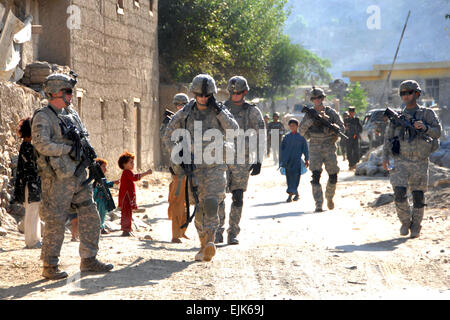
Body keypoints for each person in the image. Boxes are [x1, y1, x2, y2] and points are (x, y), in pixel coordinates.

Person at [31, 72, 113, 280]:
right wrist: (66, 149)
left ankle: (89, 259)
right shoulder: (43, 116)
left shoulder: (72, 114)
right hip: (57, 179)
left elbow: (84, 138)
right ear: (55, 92)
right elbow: (41, 144)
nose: (70, 95)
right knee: (56, 220)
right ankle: (50, 265)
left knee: (90, 214)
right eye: (67, 91)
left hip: (78, 176)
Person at [163, 74, 239, 262]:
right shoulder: (186, 112)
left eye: (207, 95)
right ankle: (203, 243)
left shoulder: (218, 110)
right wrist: (177, 153)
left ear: (212, 94)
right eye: (199, 95)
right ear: (194, 93)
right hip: (193, 168)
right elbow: (168, 135)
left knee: (211, 204)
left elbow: (234, 130)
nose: (203, 98)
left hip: (215, 166)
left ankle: (211, 240)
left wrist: (219, 112)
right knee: (198, 208)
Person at [382, 80, 441, 238]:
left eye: (408, 92)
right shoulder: (397, 116)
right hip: (400, 160)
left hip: (420, 161)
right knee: (399, 193)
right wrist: (385, 157)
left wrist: (425, 127)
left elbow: (438, 133)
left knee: (418, 195)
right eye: (402, 93)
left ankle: (416, 226)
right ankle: (405, 222)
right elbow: (388, 138)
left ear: (417, 94)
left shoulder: (427, 113)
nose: (405, 96)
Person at [216, 76, 265, 245]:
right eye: (232, 93)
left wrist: (259, 159)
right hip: (222, 157)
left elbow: (261, 135)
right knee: (219, 195)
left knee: (237, 196)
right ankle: (217, 230)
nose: (234, 95)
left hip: (242, 160)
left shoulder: (252, 111)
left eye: (238, 93)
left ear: (244, 92)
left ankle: (233, 232)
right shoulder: (221, 109)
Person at [299, 86, 344, 212]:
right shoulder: (309, 114)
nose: (316, 100)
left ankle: (329, 197)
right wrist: (311, 121)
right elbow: (301, 131)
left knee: (333, 175)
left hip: (329, 146)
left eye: (319, 97)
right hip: (314, 148)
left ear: (323, 98)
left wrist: (330, 124)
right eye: (314, 98)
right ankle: (318, 203)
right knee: (315, 176)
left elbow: (342, 129)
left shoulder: (331, 113)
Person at [14, 118, 42, 249]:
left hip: (29, 184)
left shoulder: (26, 146)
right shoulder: (29, 147)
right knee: (32, 212)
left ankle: (35, 239)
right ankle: (31, 241)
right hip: (31, 185)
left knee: (33, 211)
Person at [165, 93, 190, 243]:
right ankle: (175, 234)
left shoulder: (190, 121)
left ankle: (183, 230)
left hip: (192, 167)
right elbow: (166, 140)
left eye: (183, 104)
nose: (180, 107)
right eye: (178, 104)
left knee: (188, 200)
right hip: (179, 168)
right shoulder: (171, 122)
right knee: (177, 200)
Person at [117, 151, 152, 237]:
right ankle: (125, 230)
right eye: (131, 162)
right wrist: (146, 173)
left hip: (128, 197)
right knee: (126, 212)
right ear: (124, 164)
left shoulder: (127, 172)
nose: (133, 164)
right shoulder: (126, 172)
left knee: (128, 212)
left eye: (133, 162)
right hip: (126, 197)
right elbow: (135, 178)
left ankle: (127, 229)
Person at [280, 119, 309, 202]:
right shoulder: (286, 137)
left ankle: (290, 195)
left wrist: (307, 159)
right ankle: (295, 193)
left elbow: (305, 149)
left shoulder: (301, 137)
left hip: (297, 161)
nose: (292, 127)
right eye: (291, 126)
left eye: (294, 125)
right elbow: (282, 149)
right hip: (288, 162)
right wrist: (282, 160)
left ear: (297, 126)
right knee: (289, 178)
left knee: (296, 178)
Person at [93, 158, 119, 235]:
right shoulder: (97, 177)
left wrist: (112, 183)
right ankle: (100, 228)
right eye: (103, 166)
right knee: (100, 213)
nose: (105, 169)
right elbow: (98, 187)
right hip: (100, 199)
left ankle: (101, 227)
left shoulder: (101, 177)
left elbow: (104, 184)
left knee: (103, 213)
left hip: (103, 198)